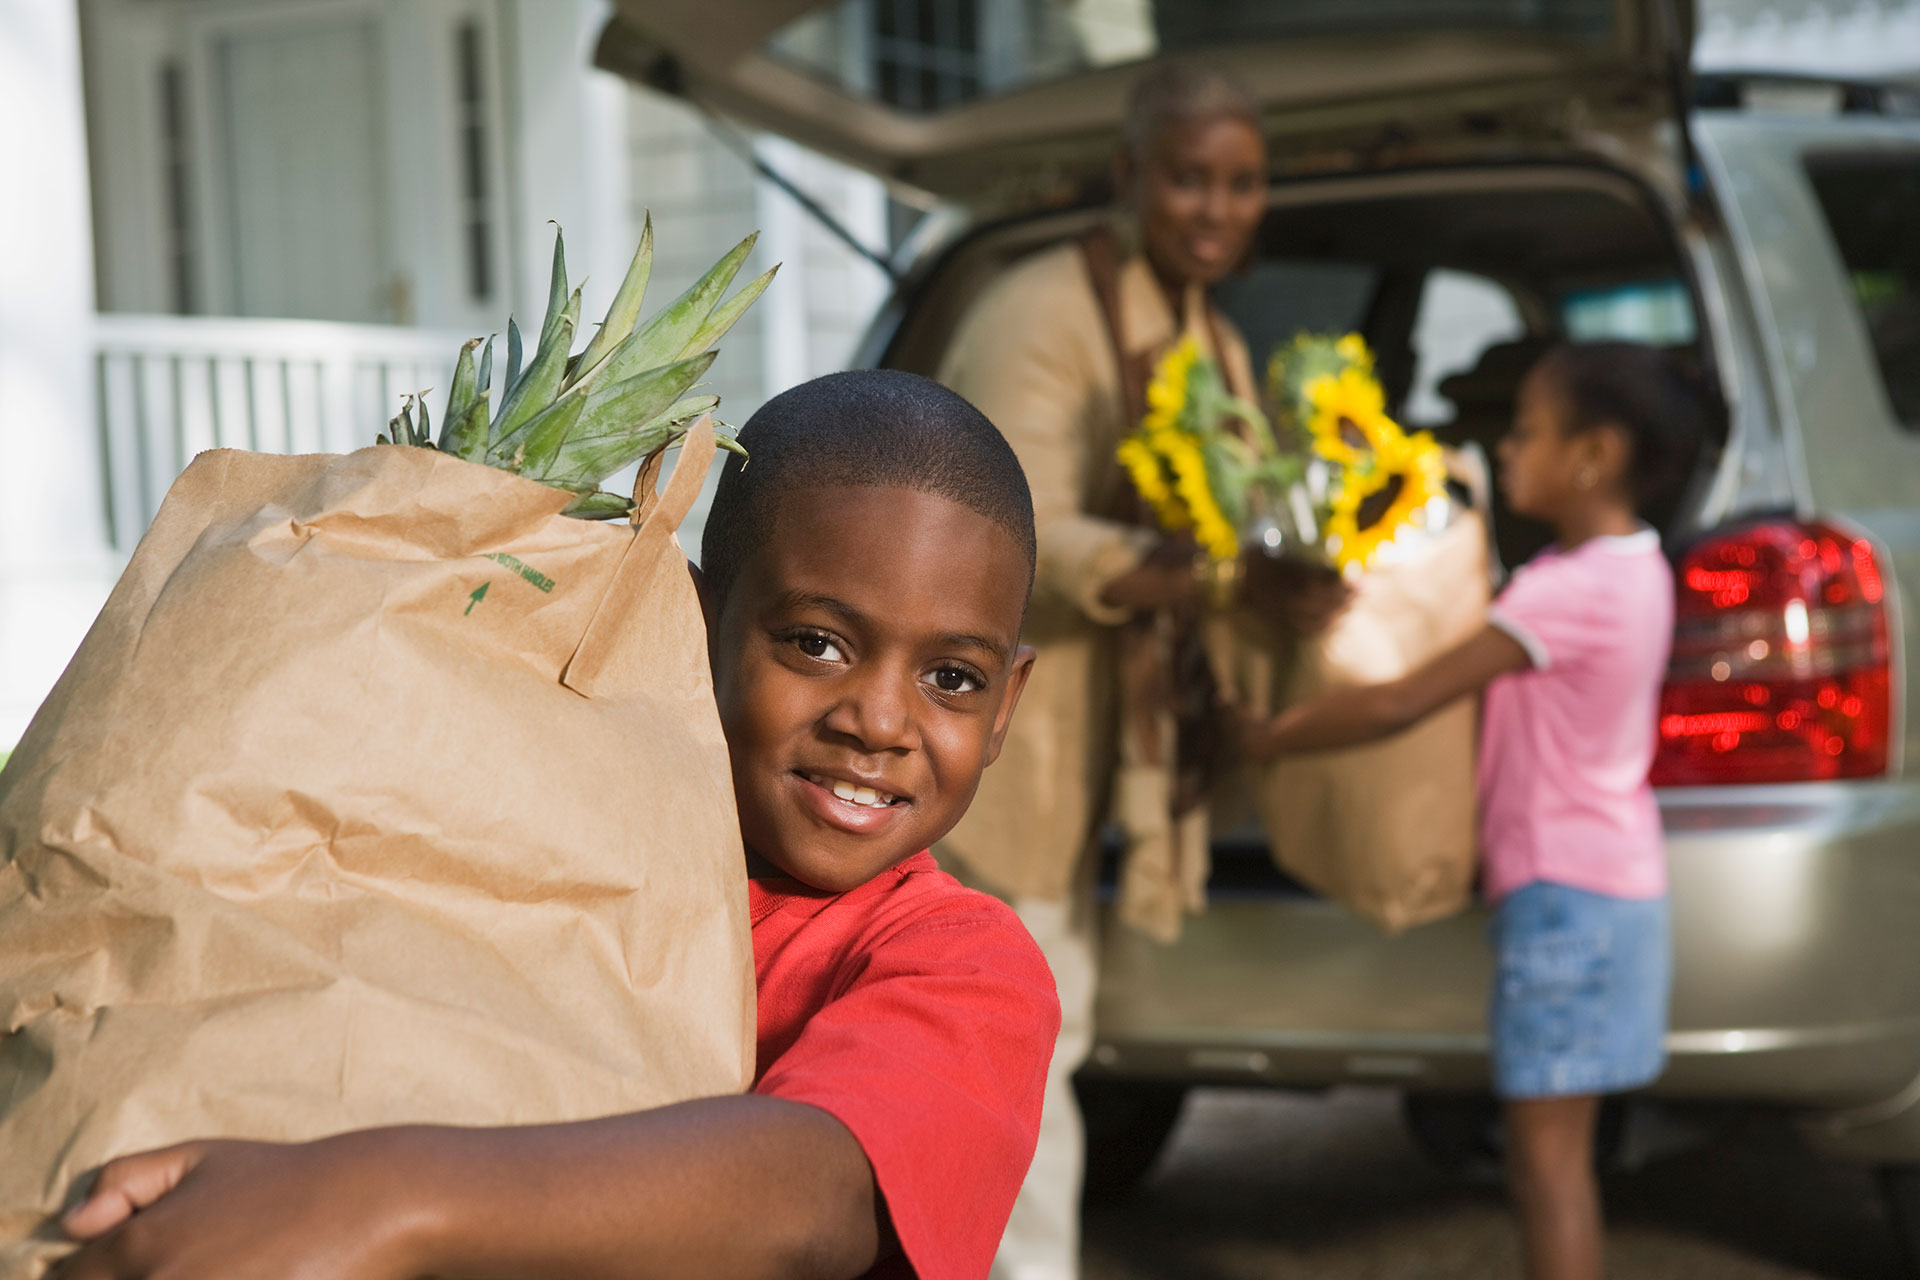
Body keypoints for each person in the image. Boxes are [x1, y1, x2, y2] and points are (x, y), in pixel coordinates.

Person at [55, 370, 1059, 1280]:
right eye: (816, 643)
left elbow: (819, 1195)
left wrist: (382, 1194)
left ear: (1005, 705)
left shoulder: (960, 962)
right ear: (695, 620)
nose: (879, 719)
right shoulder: (539, 823)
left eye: (952, 678)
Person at [935, 58, 1339, 1280]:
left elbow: (1225, 513)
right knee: (1012, 1045)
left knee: (1044, 1033)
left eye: (1242, 184)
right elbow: (1005, 522)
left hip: (1091, 739)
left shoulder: (1202, 327)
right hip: (999, 741)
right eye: (1188, 180)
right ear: (1129, 177)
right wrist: (1217, 576)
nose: (1217, 210)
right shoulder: (1040, 310)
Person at [1235, 343, 1718, 1280]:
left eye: (1528, 431)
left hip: (1566, 903)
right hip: (1615, 893)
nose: (1504, 448)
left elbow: (1398, 700)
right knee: (1563, 1161)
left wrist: (1267, 737)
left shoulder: (1567, 592)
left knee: (1548, 1172)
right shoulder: (1637, 569)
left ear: (1595, 455)